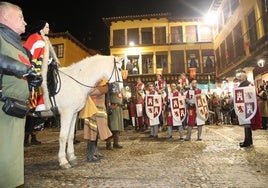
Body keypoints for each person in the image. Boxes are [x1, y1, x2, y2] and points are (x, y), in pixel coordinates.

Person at [0, 2, 42, 187]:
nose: (25, 23)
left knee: (13, 162)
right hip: (2, 109)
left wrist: (32, 80)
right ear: (3, 16)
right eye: (20, 17)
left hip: (17, 110)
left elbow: (26, 71)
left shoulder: (21, 48)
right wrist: (24, 70)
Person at [23, 20, 59, 147]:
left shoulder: (43, 39)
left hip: (40, 69)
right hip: (34, 70)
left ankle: (39, 112)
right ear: (41, 27)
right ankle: (32, 108)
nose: (49, 29)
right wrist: (33, 70)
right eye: (47, 27)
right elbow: (31, 55)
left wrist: (49, 61)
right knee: (36, 88)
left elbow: (42, 56)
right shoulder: (36, 38)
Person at [79, 79, 112, 162]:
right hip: (93, 112)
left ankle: (95, 152)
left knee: (96, 134)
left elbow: (96, 91)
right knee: (92, 134)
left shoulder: (102, 86)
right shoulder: (96, 86)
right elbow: (91, 92)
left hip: (99, 112)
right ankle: (90, 155)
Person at [235, 70, 261, 147]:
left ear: (244, 77)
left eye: (241, 77)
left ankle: (247, 141)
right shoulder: (248, 84)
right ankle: (249, 141)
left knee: (246, 124)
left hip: (247, 106)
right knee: (247, 124)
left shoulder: (246, 85)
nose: (239, 78)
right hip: (246, 106)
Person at [106, 82, 124, 150]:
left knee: (117, 128)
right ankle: (108, 144)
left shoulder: (119, 92)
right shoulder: (109, 93)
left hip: (118, 110)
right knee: (111, 127)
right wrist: (110, 106)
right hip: (112, 110)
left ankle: (116, 143)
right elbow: (107, 101)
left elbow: (121, 98)